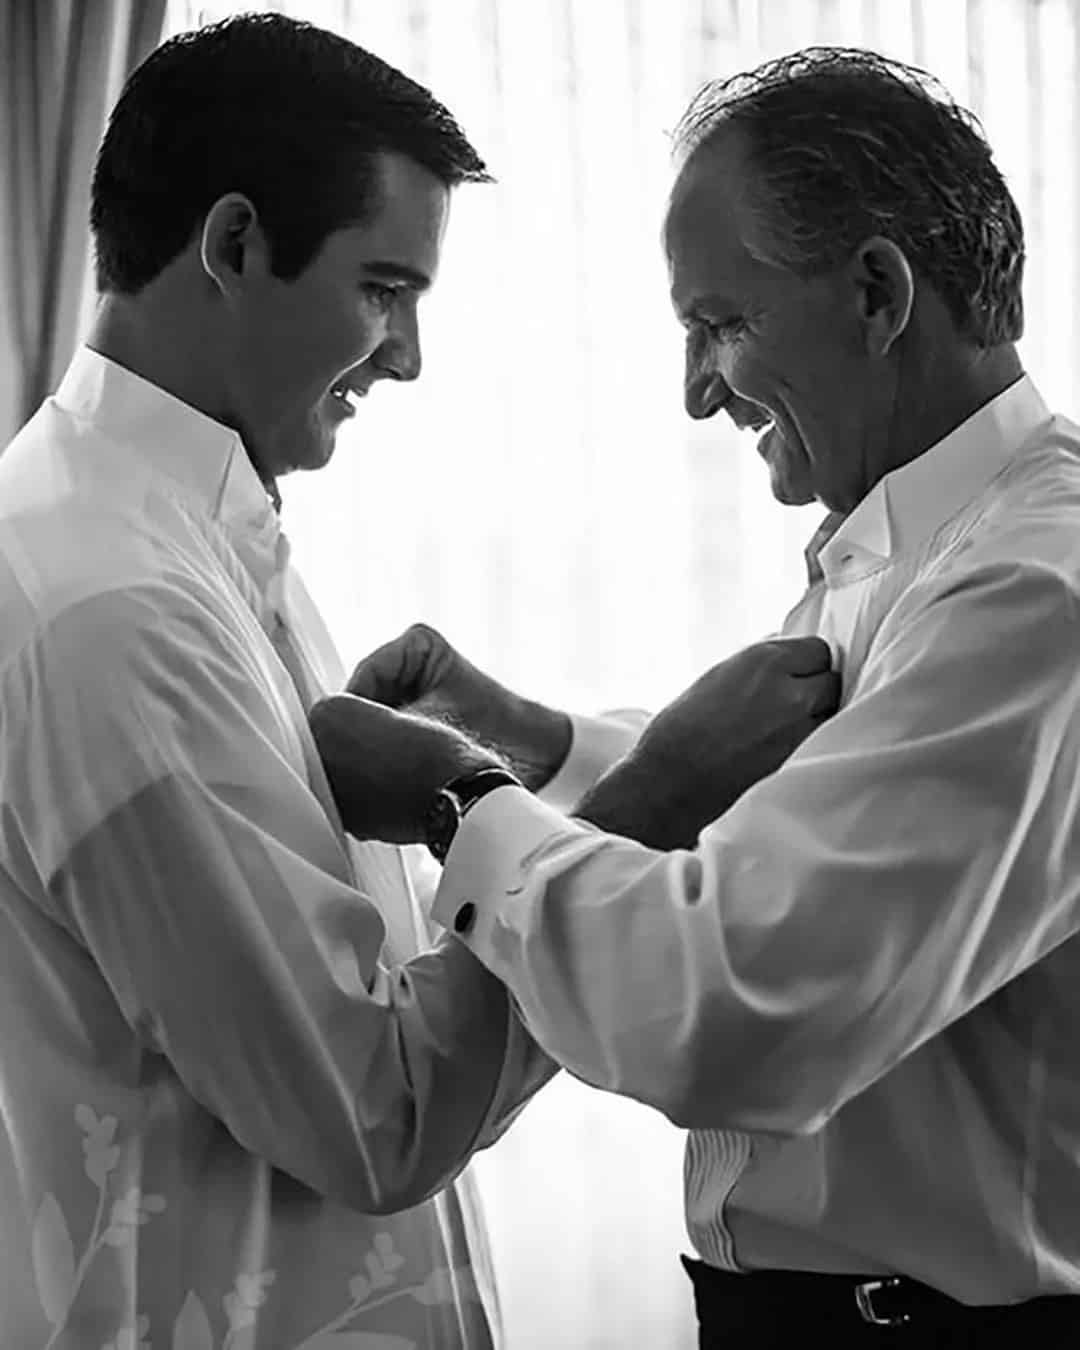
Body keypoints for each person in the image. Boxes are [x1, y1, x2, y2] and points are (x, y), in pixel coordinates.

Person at [0, 13, 836, 1348]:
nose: (406, 358)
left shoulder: (179, 544)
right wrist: (644, 795)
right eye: (383, 290)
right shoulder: (118, 610)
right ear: (230, 246)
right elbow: (375, 1111)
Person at [310, 45, 1080, 1348]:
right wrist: (547, 745)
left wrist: (465, 804)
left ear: (879, 291)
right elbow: (838, 823)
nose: (695, 390)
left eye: (720, 322)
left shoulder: (1030, 596)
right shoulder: (927, 547)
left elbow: (737, 999)